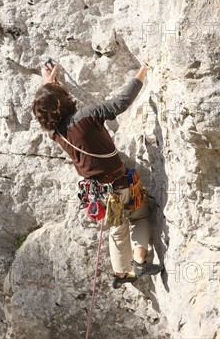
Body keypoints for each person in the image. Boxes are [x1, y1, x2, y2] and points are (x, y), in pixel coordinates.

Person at [32, 61, 163, 289]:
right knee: (138, 218)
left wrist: (49, 85)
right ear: (62, 100)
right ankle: (140, 261)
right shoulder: (88, 115)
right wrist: (143, 71)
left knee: (117, 226)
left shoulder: (56, 133)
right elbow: (121, 102)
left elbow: (52, 110)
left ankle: (121, 273)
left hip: (98, 194)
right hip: (121, 185)